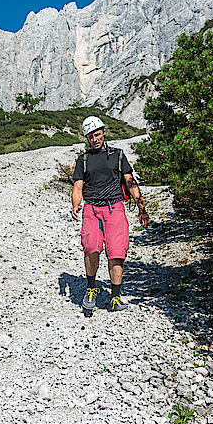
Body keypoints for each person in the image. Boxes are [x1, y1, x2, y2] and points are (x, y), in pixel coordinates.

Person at [71, 116, 149, 311]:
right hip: (92, 209)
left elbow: (130, 182)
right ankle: (91, 288)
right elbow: (78, 186)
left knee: (116, 253)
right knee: (91, 249)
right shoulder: (84, 160)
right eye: (90, 136)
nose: (95, 139)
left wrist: (142, 208)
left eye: (97, 134)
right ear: (87, 138)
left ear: (103, 133)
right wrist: (75, 205)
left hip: (115, 208)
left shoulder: (118, 155)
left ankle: (115, 297)